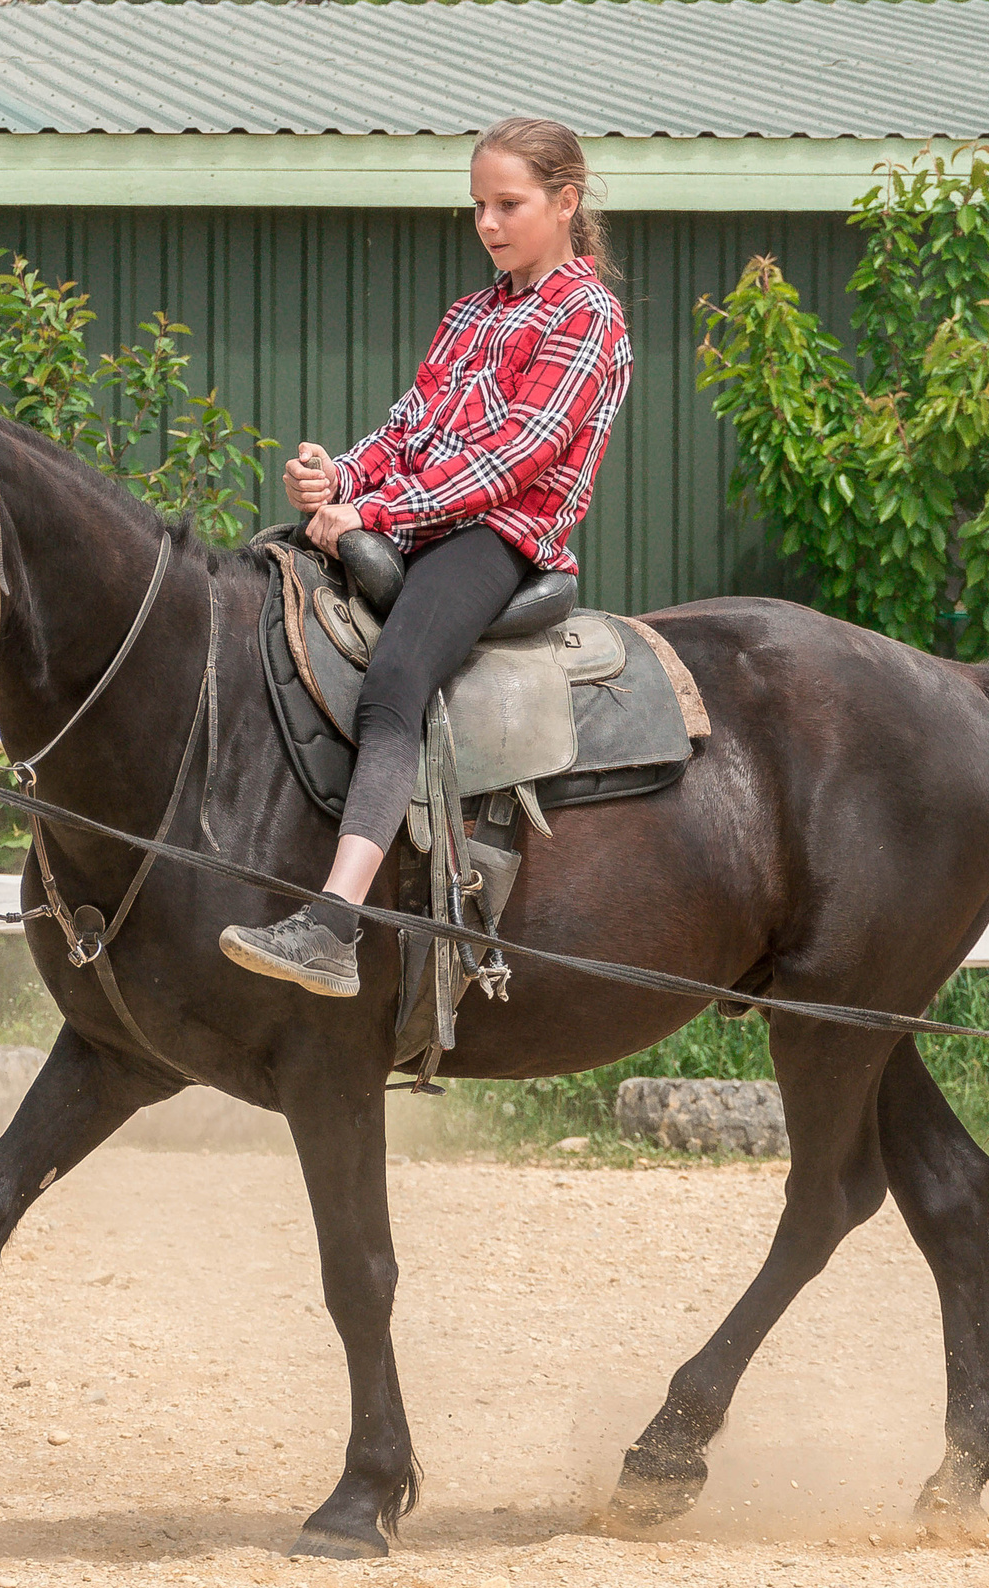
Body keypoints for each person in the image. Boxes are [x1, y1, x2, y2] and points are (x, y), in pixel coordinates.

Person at [220, 116, 634, 998]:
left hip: (501, 541)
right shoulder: (473, 313)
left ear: (566, 203)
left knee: (397, 678)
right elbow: (412, 428)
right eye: (478, 205)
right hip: (420, 520)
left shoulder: (587, 317)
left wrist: (367, 512)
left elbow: (516, 457)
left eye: (509, 204)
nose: (488, 223)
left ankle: (336, 922)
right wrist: (340, 474)